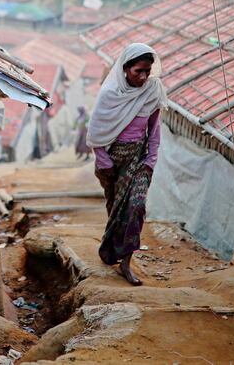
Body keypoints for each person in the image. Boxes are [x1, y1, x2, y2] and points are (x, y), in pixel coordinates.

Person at [86, 43, 166, 286]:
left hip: (139, 158)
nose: (143, 77)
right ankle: (111, 250)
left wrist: (151, 159)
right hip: (111, 158)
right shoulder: (110, 93)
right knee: (115, 207)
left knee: (136, 207)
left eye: (147, 71)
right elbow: (96, 132)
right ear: (125, 69)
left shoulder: (152, 91)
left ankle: (126, 264)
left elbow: (154, 129)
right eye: (138, 71)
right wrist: (103, 159)